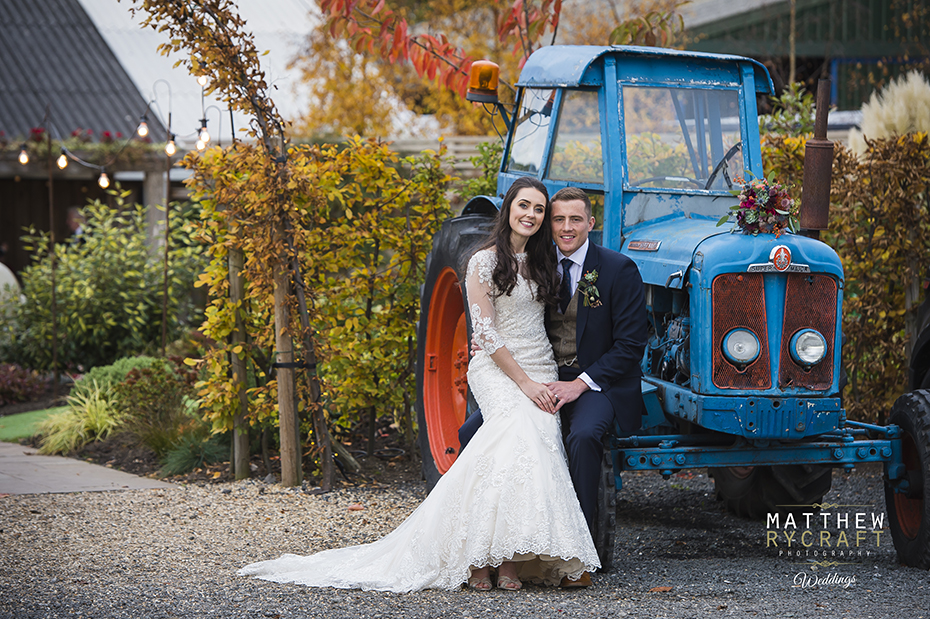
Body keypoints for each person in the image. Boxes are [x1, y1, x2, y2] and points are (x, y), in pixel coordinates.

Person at [239, 177, 600, 592]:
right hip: (499, 368)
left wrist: (552, 377)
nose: (532, 216)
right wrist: (523, 384)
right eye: (525, 206)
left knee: (533, 439)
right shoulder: (482, 262)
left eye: (539, 210)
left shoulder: (544, 262)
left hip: (541, 365)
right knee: (514, 431)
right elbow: (484, 334)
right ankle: (485, 558)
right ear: (508, 209)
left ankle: (506, 557)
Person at [458, 186, 648, 587]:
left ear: (590, 224)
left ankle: (576, 553)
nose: (565, 227)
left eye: (574, 219)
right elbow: (498, 316)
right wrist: (487, 339)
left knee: (582, 435)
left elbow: (631, 345)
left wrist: (579, 384)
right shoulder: (539, 261)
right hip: (534, 373)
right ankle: (485, 548)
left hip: (596, 382)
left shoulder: (618, 269)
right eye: (557, 218)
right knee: (472, 432)